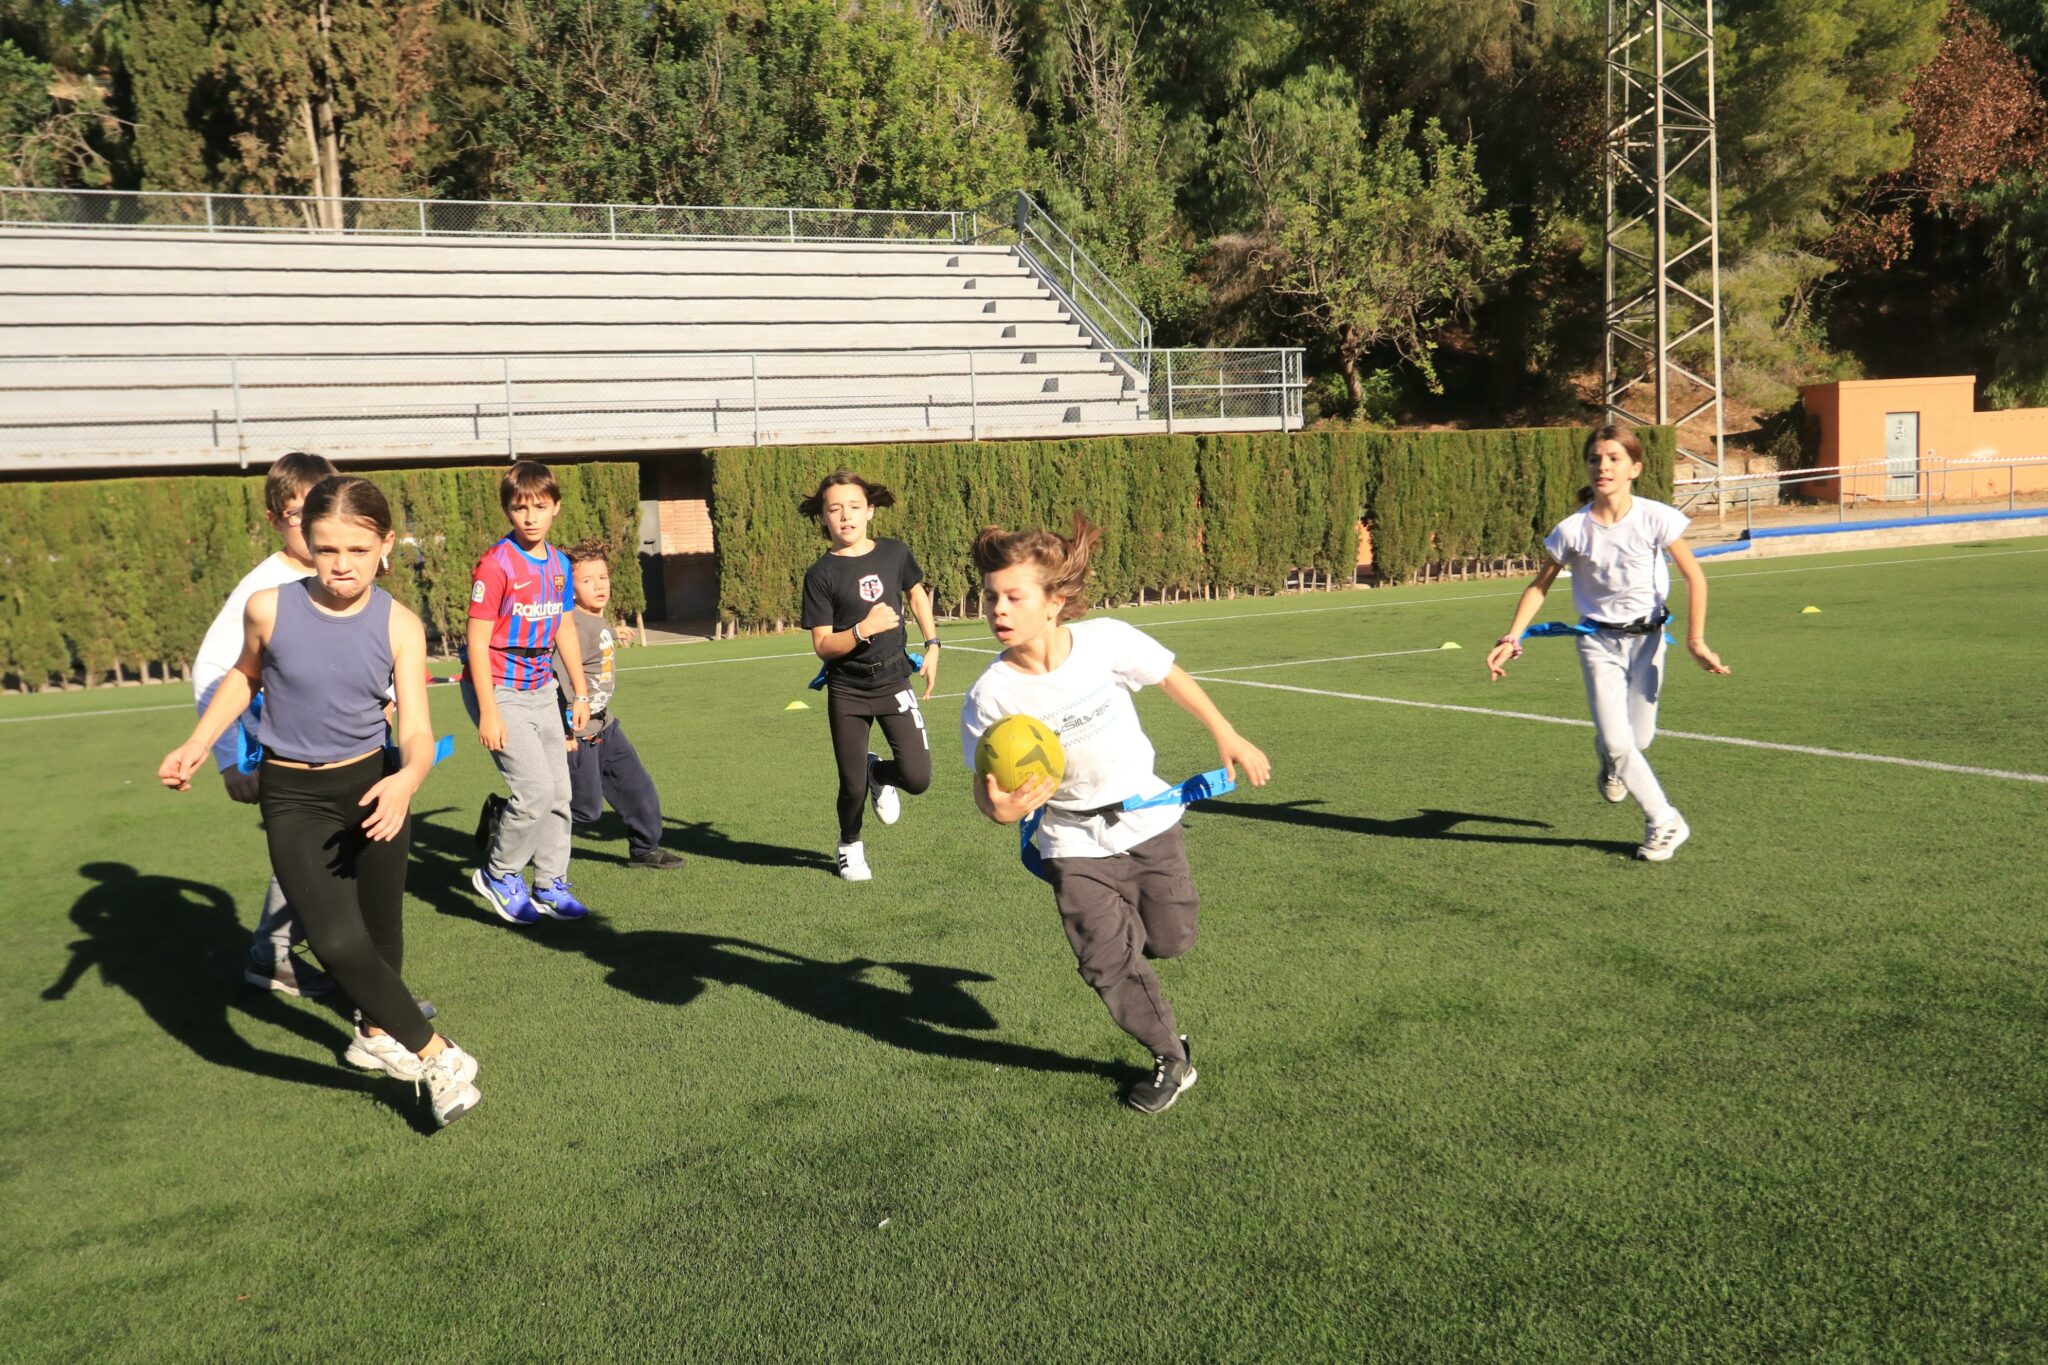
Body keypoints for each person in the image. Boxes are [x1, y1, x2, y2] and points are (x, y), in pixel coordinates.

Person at [158, 475, 482, 1128]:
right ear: (306, 540)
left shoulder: (400, 624)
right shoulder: (268, 608)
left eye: (358, 550)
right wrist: (200, 741)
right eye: (327, 548)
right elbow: (244, 676)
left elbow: (418, 730)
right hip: (293, 796)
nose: (341, 565)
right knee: (335, 940)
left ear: (385, 545)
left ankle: (375, 1034)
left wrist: (406, 779)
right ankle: (440, 1056)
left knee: (382, 932)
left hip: (375, 788)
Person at [960, 514, 1271, 1114]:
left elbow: (1169, 676)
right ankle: (1170, 1055)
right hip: (1070, 841)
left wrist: (1225, 733)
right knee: (1104, 963)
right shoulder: (990, 695)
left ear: (1054, 602)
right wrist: (998, 808)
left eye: (1014, 597)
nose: (998, 609)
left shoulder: (1104, 641)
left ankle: (1143, 951)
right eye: (991, 597)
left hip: (1148, 822)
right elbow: (985, 785)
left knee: (1172, 941)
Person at [1485, 425, 1731, 861]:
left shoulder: (1656, 518)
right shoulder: (1572, 530)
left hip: (1649, 641)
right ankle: (1665, 820)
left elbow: (1695, 577)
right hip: (1597, 642)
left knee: (1639, 740)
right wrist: (1512, 636)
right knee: (1620, 744)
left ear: (1635, 468)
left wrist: (1696, 641)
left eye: (1614, 458)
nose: (1603, 467)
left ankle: (1609, 759)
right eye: (1595, 459)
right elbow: (1539, 587)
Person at [191, 450, 338, 998]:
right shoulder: (265, 588)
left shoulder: (340, 568)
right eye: (299, 514)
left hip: (343, 744)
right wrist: (230, 759)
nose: (314, 524)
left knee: (337, 852)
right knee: (315, 852)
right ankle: (283, 956)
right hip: (285, 750)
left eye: (322, 508)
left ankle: (276, 953)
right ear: (277, 519)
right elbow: (213, 670)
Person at [463, 461, 594, 923]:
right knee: (534, 791)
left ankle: (550, 883)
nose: (530, 517)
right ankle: (499, 874)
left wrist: (580, 694)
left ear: (556, 507)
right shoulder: (496, 564)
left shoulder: (559, 565)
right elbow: (476, 641)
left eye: (540, 506)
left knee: (559, 793)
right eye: (520, 508)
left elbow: (564, 630)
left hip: (543, 689)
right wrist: (488, 711)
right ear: (508, 511)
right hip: (500, 690)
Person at [797, 471, 940, 881]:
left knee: (917, 777)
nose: (845, 516)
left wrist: (933, 645)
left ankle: (880, 772)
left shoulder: (895, 553)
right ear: (823, 518)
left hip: (894, 680)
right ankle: (850, 845)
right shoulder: (820, 575)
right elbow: (823, 645)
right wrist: (864, 629)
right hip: (848, 690)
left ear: (870, 511)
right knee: (851, 785)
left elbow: (916, 593)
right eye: (835, 509)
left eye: (854, 507)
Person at [553, 538, 684, 870]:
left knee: (638, 788)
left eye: (603, 577)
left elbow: (594, 638)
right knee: (585, 810)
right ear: (570, 589)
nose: (599, 586)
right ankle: (508, 816)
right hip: (578, 731)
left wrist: (613, 632)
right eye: (587, 580)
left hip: (605, 725)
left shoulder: (593, 619)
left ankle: (645, 849)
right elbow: (560, 679)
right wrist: (567, 730)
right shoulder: (570, 627)